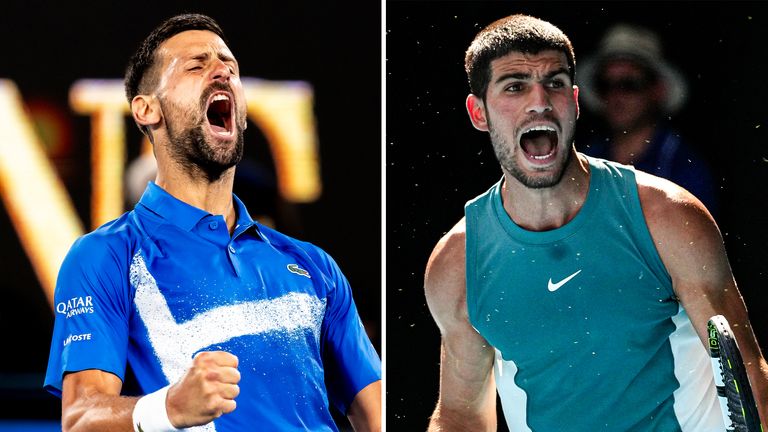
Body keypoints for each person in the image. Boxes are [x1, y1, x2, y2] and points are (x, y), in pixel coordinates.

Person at [424, 13, 767, 431]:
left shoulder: (670, 216)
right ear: (478, 113)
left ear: (575, 99)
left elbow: (748, 371)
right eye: (515, 86)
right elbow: (460, 415)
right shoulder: (456, 264)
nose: (540, 102)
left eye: (554, 83)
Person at [44, 13, 381, 432]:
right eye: (196, 65)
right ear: (147, 109)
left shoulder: (314, 265)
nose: (222, 70)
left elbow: (377, 414)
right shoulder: (105, 256)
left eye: (230, 67)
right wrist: (167, 408)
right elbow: (80, 418)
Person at [577, 23, 719, 215]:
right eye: (605, 84)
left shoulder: (684, 167)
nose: (616, 95)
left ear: (657, 90)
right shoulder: (586, 158)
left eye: (629, 84)